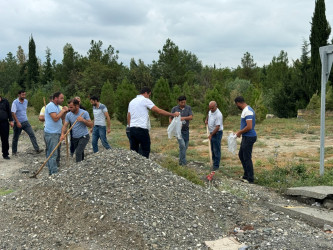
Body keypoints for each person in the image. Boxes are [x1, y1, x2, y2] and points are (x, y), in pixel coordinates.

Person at [127, 87, 180, 159]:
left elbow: (129, 115)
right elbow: (158, 111)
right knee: (145, 149)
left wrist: (130, 126)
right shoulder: (145, 100)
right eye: (149, 95)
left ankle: (134, 167)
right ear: (146, 93)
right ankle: (144, 167)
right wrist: (172, 114)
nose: (149, 97)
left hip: (132, 129)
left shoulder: (132, 101)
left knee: (133, 151)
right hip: (141, 128)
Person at [11, 90, 42, 155]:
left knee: (32, 134)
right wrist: (17, 122)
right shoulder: (15, 102)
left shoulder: (26, 101)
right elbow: (13, 113)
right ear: (19, 95)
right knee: (15, 137)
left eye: (25, 95)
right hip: (18, 122)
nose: (24, 96)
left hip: (25, 121)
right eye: (22, 95)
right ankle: (14, 152)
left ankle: (37, 149)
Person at [44, 92, 68, 175]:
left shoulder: (57, 107)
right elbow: (55, 118)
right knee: (52, 154)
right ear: (55, 98)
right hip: (51, 133)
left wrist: (64, 112)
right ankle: (53, 173)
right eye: (61, 98)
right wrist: (63, 110)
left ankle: (52, 170)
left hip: (57, 133)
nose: (63, 100)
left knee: (55, 153)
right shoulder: (50, 106)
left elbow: (62, 118)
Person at [234, 96, 257, 184]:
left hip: (249, 137)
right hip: (246, 136)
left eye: (237, 105)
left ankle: (250, 178)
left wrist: (240, 132)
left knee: (246, 157)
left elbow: (249, 126)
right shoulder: (246, 110)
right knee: (241, 155)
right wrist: (240, 132)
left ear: (238, 103)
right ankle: (246, 175)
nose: (237, 106)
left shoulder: (247, 111)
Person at [169, 96, 193, 166]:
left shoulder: (188, 108)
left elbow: (191, 117)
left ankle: (180, 160)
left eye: (184, 102)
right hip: (178, 131)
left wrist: (183, 118)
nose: (183, 103)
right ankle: (184, 163)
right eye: (182, 102)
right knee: (182, 145)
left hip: (186, 130)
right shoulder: (174, 109)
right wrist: (171, 125)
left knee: (185, 146)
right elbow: (170, 118)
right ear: (178, 102)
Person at [205, 101, 223, 174]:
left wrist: (211, 135)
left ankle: (216, 166)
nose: (211, 109)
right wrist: (206, 120)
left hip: (217, 133)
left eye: (212, 108)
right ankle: (212, 162)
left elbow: (218, 127)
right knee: (212, 148)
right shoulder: (210, 111)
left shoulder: (219, 114)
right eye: (210, 108)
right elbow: (208, 115)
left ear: (216, 106)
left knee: (216, 149)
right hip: (211, 132)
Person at [0, 95, 14, 159]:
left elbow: (9, 111)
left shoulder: (5, 101)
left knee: (5, 139)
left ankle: (5, 154)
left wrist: (11, 120)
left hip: (4, 123)